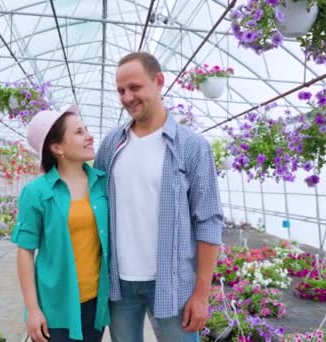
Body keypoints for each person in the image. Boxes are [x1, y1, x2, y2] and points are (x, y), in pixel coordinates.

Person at [94, 52, 224, 342]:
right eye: (120, 91)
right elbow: (93, 206)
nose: (127, 97)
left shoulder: (192, 147)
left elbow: (209, 221)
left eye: (135, 87)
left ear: (159, 81)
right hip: (119, 284)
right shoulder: (111, 145)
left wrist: (202, 294)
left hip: (172, 284)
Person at [12, 105, 110, 342]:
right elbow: (25, 251)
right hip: (54, 304)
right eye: (79, 132)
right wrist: (33, 310)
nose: (89, 136)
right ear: (57, 147)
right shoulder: (36, 192)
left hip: (95, 302)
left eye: (86, 129)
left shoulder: (103, 183)